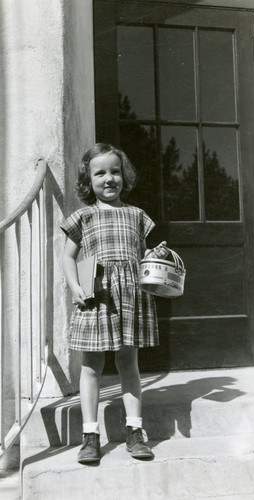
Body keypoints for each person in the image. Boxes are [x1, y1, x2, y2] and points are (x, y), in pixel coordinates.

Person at [61, 143, 168, 464]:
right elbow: (68, 257)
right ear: (88, 180)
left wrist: (154, 256)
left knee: (127, 363)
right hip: (96, 297)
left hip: (130, 296)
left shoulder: (137, 216)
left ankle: (135, 431)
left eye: (115, 171)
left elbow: (143, 256)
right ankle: (90, 436)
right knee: (92, 367)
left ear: (125, 176)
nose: (109, 179)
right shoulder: (83, 216)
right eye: (100, 173)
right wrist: (74, 285)